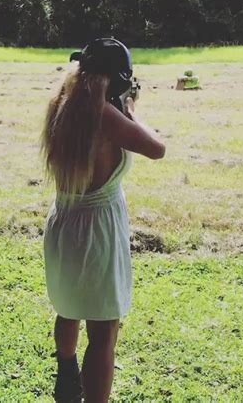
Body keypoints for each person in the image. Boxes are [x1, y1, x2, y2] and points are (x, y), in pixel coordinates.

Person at [40, 38, 165, 403]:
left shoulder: (62, 104)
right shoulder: (105, 115)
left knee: (69, 309)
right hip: (96, 230)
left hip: (65, 220)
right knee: (104, 331)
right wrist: (130, 109)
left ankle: (67, 378)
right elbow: (157, 149)